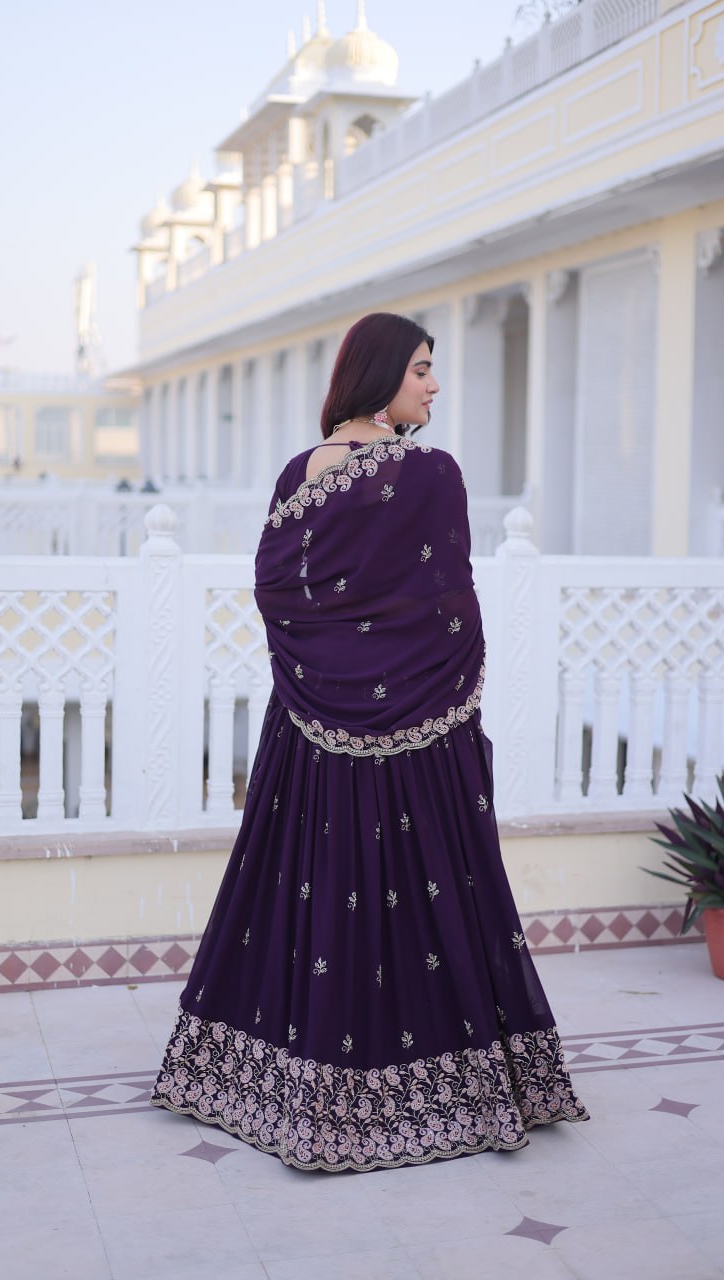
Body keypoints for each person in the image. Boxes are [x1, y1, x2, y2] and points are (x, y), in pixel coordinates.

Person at [150, 312, 588, 1172]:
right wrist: (432, 682)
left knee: (316, 893)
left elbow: (282, 597)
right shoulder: (428, 474)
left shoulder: (297, 472)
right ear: (382, 373)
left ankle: (276, 1079)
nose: (432, 385)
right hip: (425, 733)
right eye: (422, 369)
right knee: (435, 897)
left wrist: (333, 673)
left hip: (312, 730)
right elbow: (447, 605)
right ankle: (454, 1082)